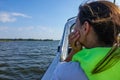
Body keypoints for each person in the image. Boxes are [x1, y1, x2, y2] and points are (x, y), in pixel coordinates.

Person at [51, 1, 120, 80]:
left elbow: (61, 70)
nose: (73, 31)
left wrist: (74, 51)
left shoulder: (66, 71)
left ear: (85, 28)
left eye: (75, 25)